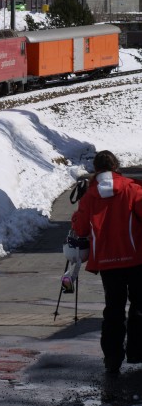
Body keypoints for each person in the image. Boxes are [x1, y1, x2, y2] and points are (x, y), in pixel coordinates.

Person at [71, 150, 142, 375]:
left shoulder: (90, 196)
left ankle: (112, 357)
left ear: (96, 169)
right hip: (136, 257)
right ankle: (137, 351)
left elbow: (80, 229)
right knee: (139, 305)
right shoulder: (133, 189)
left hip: (107, 261)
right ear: (117, 166)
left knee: (114, 308)